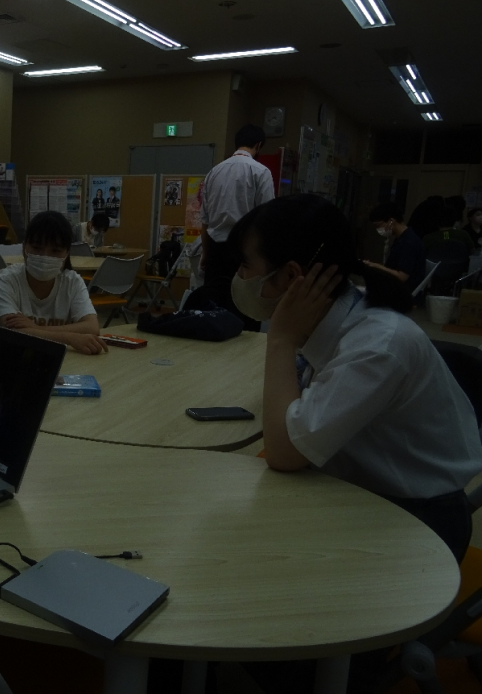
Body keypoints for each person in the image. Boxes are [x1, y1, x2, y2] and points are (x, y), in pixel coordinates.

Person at [228, 194, 482, 693]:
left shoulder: (377, 344)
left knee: (289, 647)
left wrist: (279, 339)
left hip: (414, 523)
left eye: (246, 266)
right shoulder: (341, 319)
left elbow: (284, 453)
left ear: (292, 276)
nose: (240, 278)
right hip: (358, 497)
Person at [0, 210, 108, 355]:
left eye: (55, 251)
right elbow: (14, 333)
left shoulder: (73, 282)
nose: (45, 256)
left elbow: (92, 327)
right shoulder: (5, 280)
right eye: (36, 248)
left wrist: (35, 328)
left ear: (66, 253)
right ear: (24, 247)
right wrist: (69, 338)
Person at [199, 124, 275, 330]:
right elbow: (267, 219)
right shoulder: (261, 172)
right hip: (246, 252)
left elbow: (205, 220)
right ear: (258, 145)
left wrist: (205, 253)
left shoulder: (213, 172)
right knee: (245, 311)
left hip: (216, 249)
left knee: (213, 310)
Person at [364, 202, 426, 295]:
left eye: (378, 226)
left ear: (391, 221)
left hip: (402, 293)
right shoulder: (401, 238)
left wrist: (376, 266)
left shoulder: (408, 243)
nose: (378, 229)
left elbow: (402, 277)